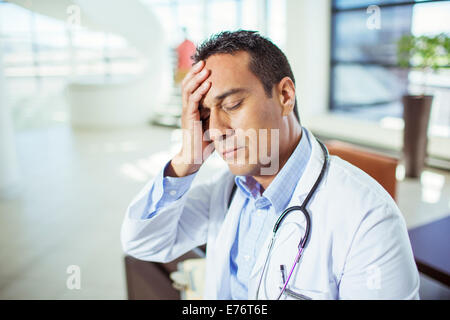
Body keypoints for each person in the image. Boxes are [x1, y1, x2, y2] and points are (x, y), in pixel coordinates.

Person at [121, 30, 419, 300]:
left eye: (233, 104)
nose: (217, 129)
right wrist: (186, 160)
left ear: (285, 95)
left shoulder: (368, 218)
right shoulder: (227, 192)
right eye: (205, 114)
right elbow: (142, 242)